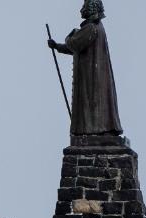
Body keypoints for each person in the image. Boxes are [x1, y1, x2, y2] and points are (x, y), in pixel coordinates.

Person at [48, 0, 123, 136]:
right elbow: (77, 48)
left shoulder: (91, 27)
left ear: (91, 8)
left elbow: (74, 44)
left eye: (84, 6)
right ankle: (97, 129)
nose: (82, 9)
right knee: (94, 103)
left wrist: (70, 36)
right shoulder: (97, 27)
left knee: (93, 103)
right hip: (93, 74)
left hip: (91, 76)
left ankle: (95, 130)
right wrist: (57, 46)